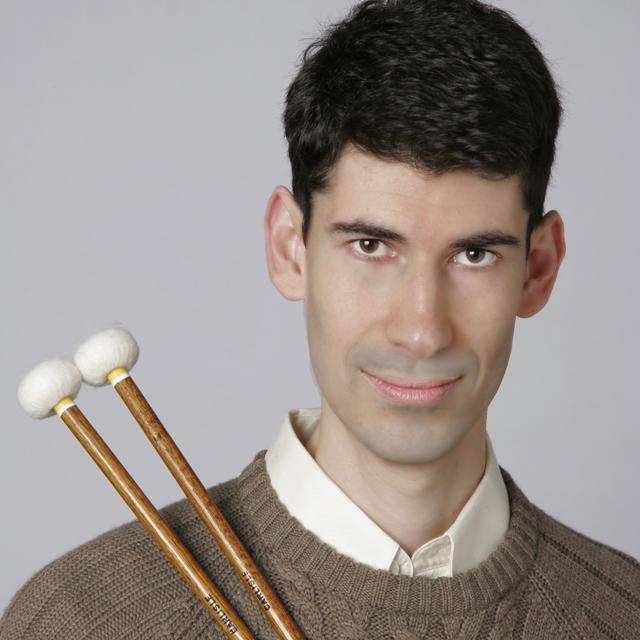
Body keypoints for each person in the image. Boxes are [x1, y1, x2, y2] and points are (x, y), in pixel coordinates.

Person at [2, 0, 639, 638]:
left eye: (474, 254)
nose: (422, 330)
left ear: (538, 268)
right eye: (371, 246)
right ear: (289, 247)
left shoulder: (621, 614)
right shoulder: (81, 620)